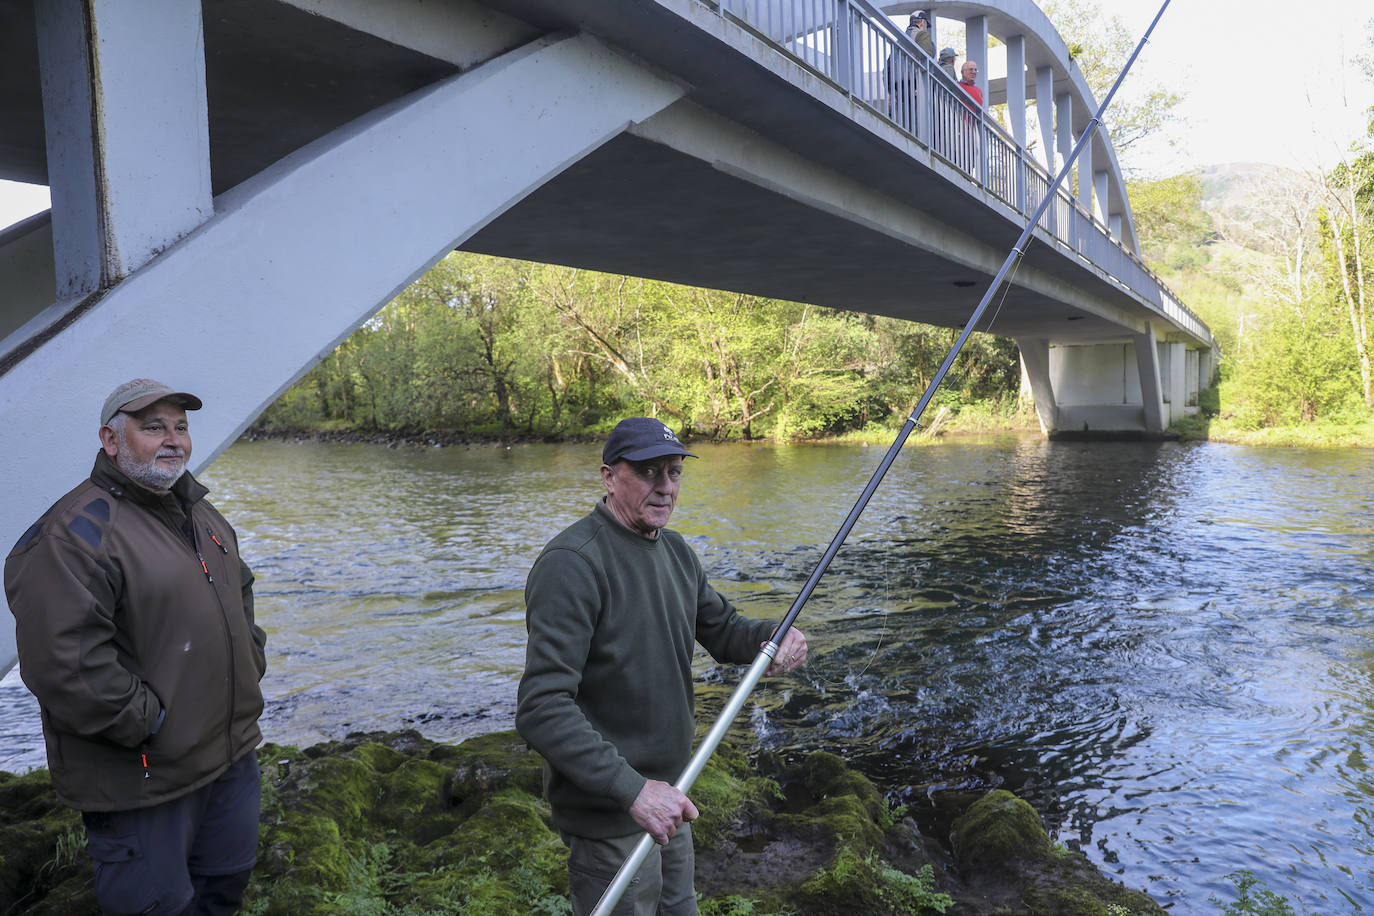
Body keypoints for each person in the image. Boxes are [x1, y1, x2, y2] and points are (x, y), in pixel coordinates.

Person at [516, 417, 808, 915]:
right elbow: (541, 708)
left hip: (672, 799)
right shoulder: (572, 563)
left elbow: (722, 630)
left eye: (674, 473)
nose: (666, 488)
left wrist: (771, 636)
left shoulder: (675, 552)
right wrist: (633, 791)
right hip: (614, 813)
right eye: (650, 473)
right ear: (609, 477)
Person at [5, 379, 267, 916]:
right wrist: (151, 723)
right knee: (156, 907)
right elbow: (64, 664)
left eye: (180, 427)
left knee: (223, 890)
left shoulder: (198, 512)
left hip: (229, 756)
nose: (173, 440)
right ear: (111, 439)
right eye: (153, 427)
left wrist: (250, 662)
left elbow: (239, 591)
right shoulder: (74, 534)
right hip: (144, 775)